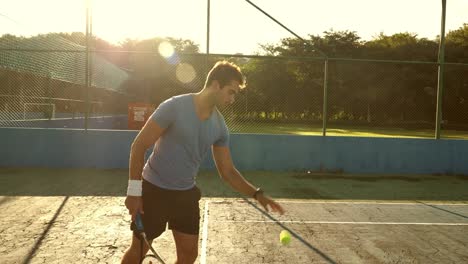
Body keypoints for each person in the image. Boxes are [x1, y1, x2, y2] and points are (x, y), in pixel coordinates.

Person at [121, 61, 285, 264]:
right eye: (231, 92)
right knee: (138, 252)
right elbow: (139, 146)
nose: (232, 99)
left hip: (185, 195)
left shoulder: (220, 127)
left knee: (189, 255)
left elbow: (228, 172)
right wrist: (134, 192)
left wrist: (257, 194)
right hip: (154, 190)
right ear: (216, 85)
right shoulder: (173, 106)